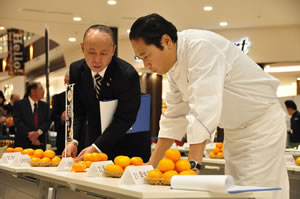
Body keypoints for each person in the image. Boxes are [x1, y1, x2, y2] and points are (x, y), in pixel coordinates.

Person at [129, 13, 288, 199]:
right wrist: (151, 164)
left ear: (166, 41)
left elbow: (203, 109)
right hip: (234, 132)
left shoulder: (201, 47)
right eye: (140, 58)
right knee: (238, 191)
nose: (146, 64)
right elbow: (174, 117)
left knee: (259, 191)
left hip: (262, 126)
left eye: (146, 56)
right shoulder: (173, 68)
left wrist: (193, 167)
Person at [63, 24, 151, 162]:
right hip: (93, 143)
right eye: (91, 52)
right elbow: (76, 111)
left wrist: (96, 146)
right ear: (82, 48)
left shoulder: (127, 75)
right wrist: (72, 141)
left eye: (103, 53)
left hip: (127, 145)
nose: (97, 59)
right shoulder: (76, 70)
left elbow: (125, 119)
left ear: (113, 50)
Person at [13, 82, 50, 149]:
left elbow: (47, 122)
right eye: (41, 88)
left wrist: (38, 133)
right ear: (33, 91)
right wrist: (30, 134)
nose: (43, 91)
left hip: (39, 143)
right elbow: (18, 122)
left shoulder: (45, 106)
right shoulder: (19, 104)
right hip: (23, 143)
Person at [50, 70, 70, 154]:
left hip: (82, 139)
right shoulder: (58, 98)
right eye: (67, 81)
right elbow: (53, 116)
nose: (69, 84)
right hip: (63, 139)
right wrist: (61, 118)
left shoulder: (84, 98)